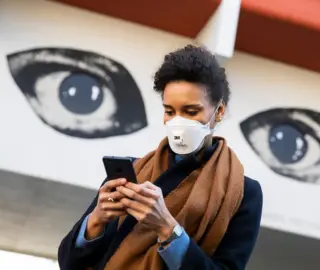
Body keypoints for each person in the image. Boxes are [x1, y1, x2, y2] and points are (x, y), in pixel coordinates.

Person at [57, 45, 263, 270]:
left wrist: (167, 228)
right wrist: (96, 220)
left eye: (191, 111)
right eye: (170, 111)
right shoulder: (133, 171)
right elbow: (69, 262)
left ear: (219, 111)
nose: (178, 122)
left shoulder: (242, 193)